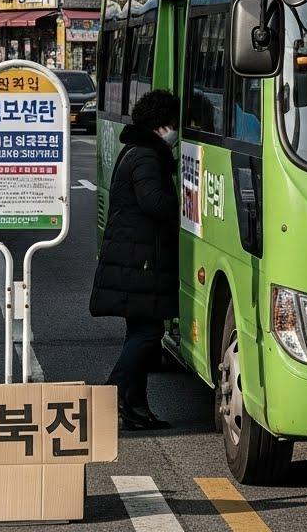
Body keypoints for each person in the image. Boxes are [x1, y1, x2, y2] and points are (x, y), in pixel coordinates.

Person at [90, 89, 182, 430]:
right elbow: (154, 202)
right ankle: (109, 397)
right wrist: (189, 205)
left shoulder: (139, 151)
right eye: (174, 124)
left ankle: (136, 408)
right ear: (161, 125)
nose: (176, 132)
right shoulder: (145, 156)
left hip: (135, 259)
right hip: (140, 261)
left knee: (142, 334)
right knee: (147, 334)